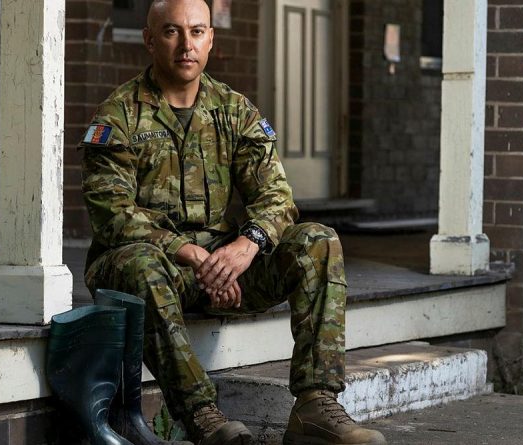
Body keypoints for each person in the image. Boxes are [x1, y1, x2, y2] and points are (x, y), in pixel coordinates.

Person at [80, 1, 386, 444]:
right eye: (171, 32)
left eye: (197, 32)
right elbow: (111, 211)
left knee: (318, 240)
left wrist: (245, 248)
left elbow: (276, 197)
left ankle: (315, 407)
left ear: (211, 40)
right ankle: (202, 417)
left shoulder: (233, 110)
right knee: (139, 263)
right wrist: (195, 255)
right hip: (152, 268)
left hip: (226, 268)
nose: (187, 44)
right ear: (150, 40)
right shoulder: (120, 115)